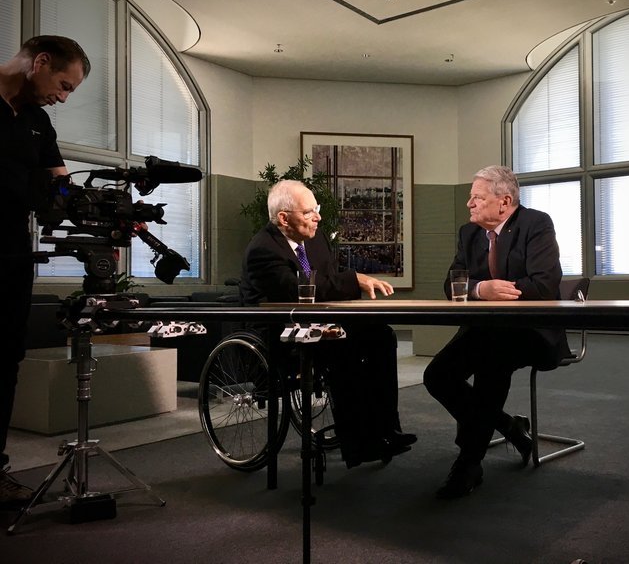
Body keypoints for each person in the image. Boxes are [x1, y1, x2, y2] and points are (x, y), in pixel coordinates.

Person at [239, 179, 416, 468]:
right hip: (280, 335)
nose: (318, 217)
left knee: (381, 335)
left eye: (316, 209)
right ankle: (359, 443)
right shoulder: (263, 250)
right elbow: (302, 290)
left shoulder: (316, 239)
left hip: (318, 324)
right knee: (342, 348)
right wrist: (355, 279)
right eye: (309, 212)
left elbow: (328, 280)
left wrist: (351, 281)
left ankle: (385, 429)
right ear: (284, 218)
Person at [423, 165, 569, 499]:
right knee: (437, 375)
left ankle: (469, 463)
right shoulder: (469, 233)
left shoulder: (536, 224)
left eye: (476, 197)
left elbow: (544, 285)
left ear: (504, 202)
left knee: (492, 362)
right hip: (485, 331)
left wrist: (495, 291)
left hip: (532, 332)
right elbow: (452, 285)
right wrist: (480, 290)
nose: (469, 204)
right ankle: (507, 425)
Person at [0, 36, 90, 507]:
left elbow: (61, 189)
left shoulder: (37, 122)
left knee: (6, 363)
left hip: (12, 258)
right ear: (39, 62)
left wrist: (100, 215)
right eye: (63, 84)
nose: (63, 96)